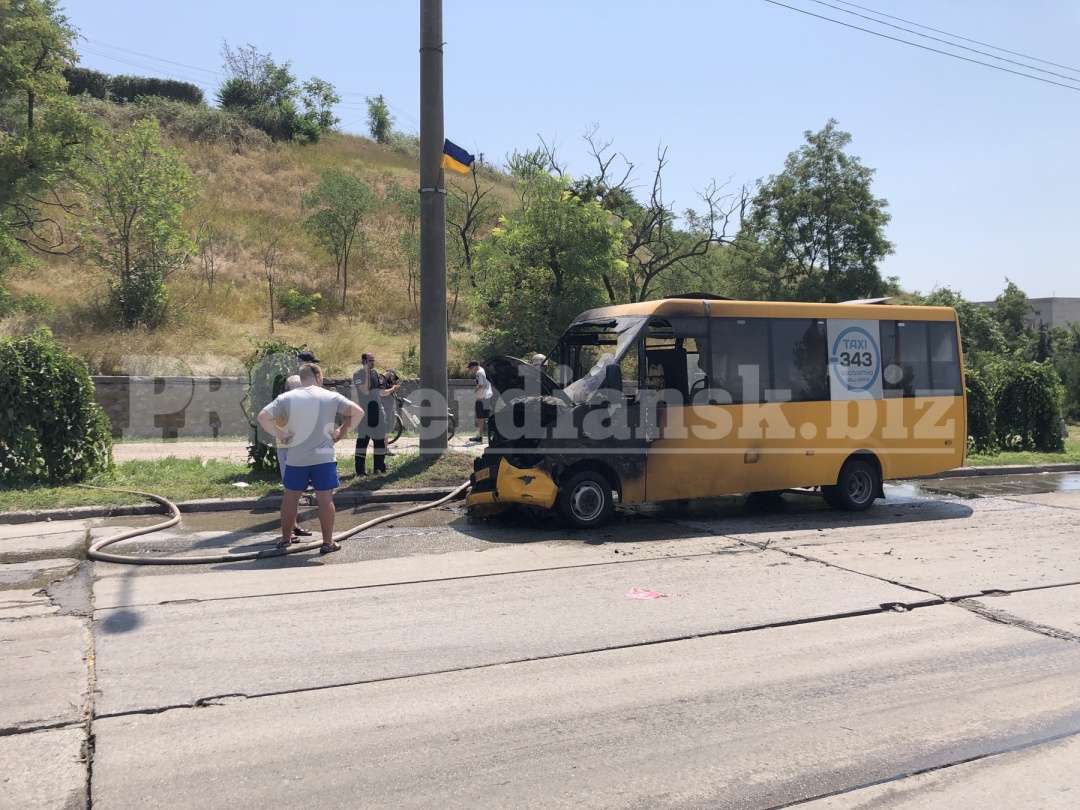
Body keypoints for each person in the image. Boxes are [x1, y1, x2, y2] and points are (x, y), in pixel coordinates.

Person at [258, 363, 363, 554]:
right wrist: (341, 431)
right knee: (325, 499)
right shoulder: (330, 396)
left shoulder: (286, 397)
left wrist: (281, 435)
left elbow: (263, 417)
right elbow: (358, 412)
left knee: (291, 498)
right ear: (318, 376)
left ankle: (285, 539)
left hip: (296, 456)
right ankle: (328, 542)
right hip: (324, 456)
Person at [274, 374, 312, 540]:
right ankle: (288, 531)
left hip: (299, 449)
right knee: (290, 491)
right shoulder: (283, 404)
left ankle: (293, 526)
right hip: (287, 450)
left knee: (297, 490)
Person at [352, 352, 400, 475]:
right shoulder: (358, 374)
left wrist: (392, 390)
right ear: (364, 361)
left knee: (379, 441)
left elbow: (380, 392)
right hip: (365, 414)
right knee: (363, 442)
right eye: (370, 360)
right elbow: (365, 391)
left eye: (373, 360)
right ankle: (360, 470)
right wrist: (367, 372)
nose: (373, 362)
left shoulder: (375, 373)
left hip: (378, 412)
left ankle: (379, 468)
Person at [468, 360, 493, 443]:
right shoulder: (484, 370)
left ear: (475, 366)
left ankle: (479, 436)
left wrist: (477, 396)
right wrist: (475, 391)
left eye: (471, 368)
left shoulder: (479, 373)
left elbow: (481, 386)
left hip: (482, 397)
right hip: (488, 395)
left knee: (480, 418)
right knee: (486, 417)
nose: (471, 370)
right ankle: (491, 434)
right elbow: (480, 385)